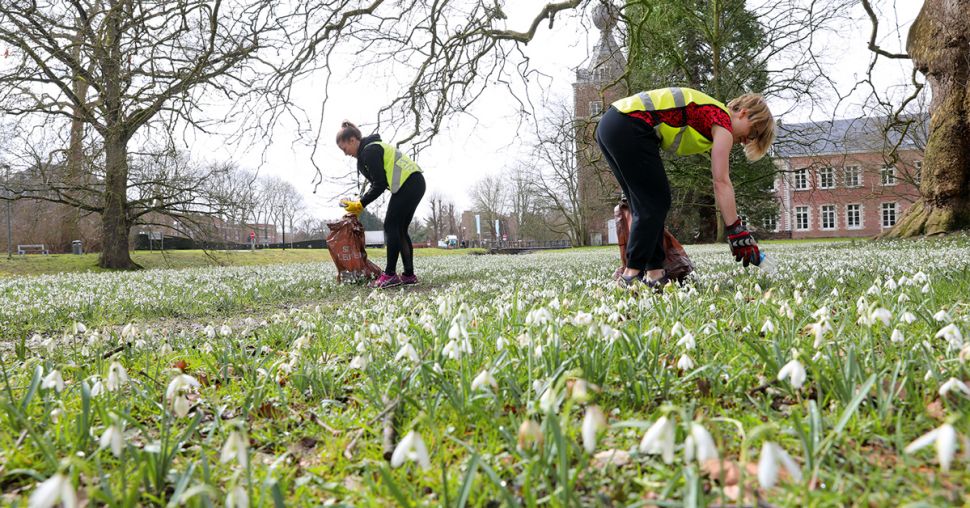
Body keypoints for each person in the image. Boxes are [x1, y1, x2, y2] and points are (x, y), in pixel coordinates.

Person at [595, 87, 775, 289]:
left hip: (611, 124)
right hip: (629, 124)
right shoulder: (723, 122)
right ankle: (631, 275)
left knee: (646, 204)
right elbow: (721, 181)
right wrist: (736, 229)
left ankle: (655, 274)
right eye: (754, 133)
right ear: (744, 113)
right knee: (655, 201)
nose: (747, 141)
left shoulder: (712, 113)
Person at [336, 121, 426, 288]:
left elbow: (378, 185)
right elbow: (378, 184)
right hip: (415, 182)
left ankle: (390, 275)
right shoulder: (372, 148)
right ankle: (408, 275)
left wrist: (360, 204)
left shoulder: (369, 151)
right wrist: (358, 201)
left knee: (391, 225)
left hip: (408, 183)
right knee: (399, 229)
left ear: (353, 140)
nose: (345, 153)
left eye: (344, 149)